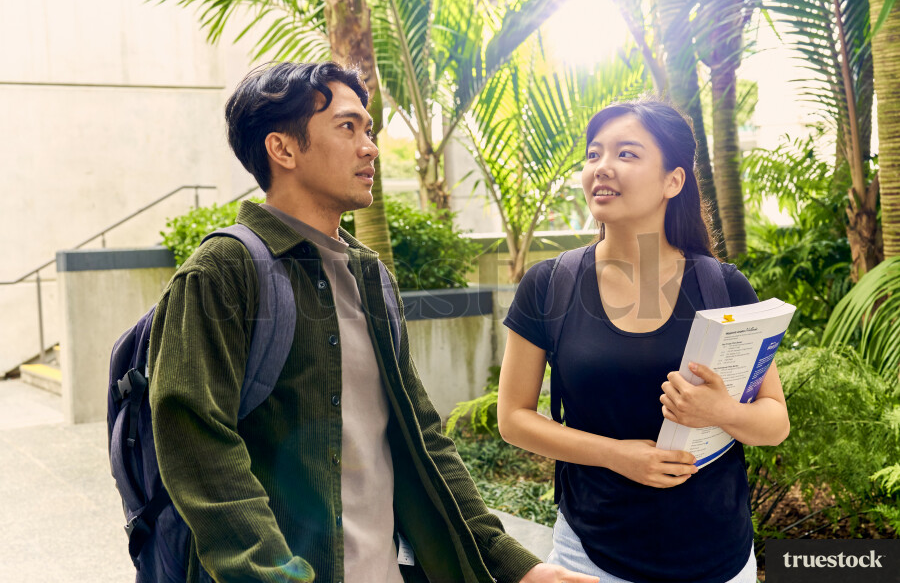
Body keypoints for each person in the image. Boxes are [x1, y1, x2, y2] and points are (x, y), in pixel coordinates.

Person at [148, 61, 599, 583]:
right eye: (347, 127)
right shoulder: (222, 272)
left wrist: (513, 566)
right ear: (284, 149)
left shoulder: (369, 274)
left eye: (369, 129)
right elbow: (196, 444)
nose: (370, 147)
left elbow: (421, 438)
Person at [497, 100, 790, 583]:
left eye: (626, 154)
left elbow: (774, 421)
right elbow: (514, 419)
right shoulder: (550, 284)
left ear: (673, 181)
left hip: (719, 558)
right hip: (590, 555)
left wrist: (723, 412)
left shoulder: (723, 288)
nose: (602, 167)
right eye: (594, 154)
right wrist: (617, 455)